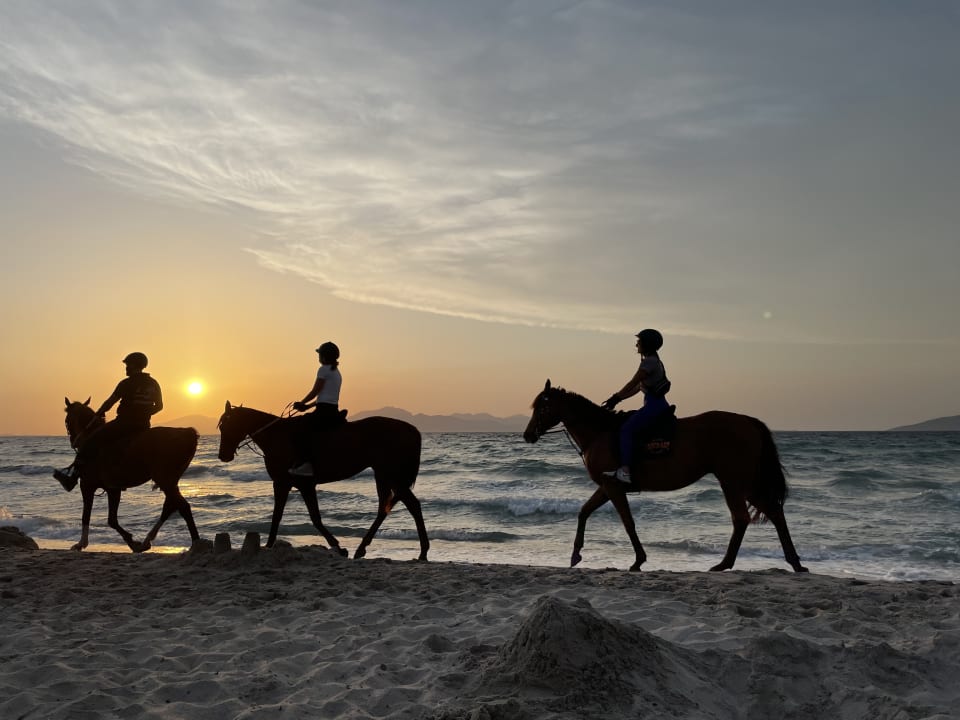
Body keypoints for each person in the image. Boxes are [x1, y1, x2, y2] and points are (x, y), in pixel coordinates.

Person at [53, 352, 163, 490]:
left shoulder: (127, 383)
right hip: (143, 426)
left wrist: (98, 414)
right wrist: (144, 413)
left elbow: (110, 402)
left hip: (123, 423)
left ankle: (72, 479)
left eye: (128, 365)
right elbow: (159, 406)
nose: (126, 368)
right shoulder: (153, 383)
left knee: (90, 441)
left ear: (134, 365)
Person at [600, 329, 671, 484]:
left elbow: (632, 383)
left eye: (639, 341)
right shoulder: (654, 361)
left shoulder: (649, 362)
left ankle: (625, 470)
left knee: (626, 429)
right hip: (654, 405)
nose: (636, 344)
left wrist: (615, 397)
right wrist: (616, 401)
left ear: (647, 344)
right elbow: (636, 388)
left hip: (654, 406)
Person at [289, 341, 343, 476]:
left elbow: (315, 391)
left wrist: (302, 402)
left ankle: (307, 464)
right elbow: (324, 397)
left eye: (319, 355)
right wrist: (308, 406)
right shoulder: (336, 372)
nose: (318, 357)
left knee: (299, 429)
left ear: (324, 357)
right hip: (332, 410)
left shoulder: (323, 369)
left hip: (323, 412)